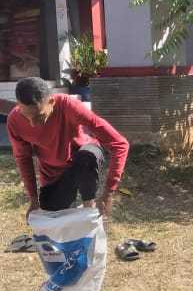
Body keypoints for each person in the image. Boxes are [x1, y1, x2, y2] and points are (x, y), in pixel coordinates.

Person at [7, 77, 129, 218]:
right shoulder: (14, 121)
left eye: (39, 117)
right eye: (26, 116)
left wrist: (108, 193)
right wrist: (34, 199)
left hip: (83, 157)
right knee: (53, 219)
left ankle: (89, 207)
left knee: (85, 158)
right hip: (53, 173)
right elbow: (23, 159)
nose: (32, 124)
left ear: (51, 102)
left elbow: (120, 144)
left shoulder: (68, 105)